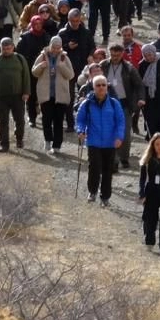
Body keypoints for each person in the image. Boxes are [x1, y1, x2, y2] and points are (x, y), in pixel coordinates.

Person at [75, 76, 125, 207]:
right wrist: (80, 131)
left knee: (108, 170)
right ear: (93, 87)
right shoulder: (86, 104)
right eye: (98, 85)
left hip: (110, 142)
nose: (101, 87)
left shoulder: (114, 103)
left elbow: (120, 121)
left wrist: (119, 137)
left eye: (104, 85)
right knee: (95, 167)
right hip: (93, 141)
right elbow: (80, 120)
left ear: (107, 87)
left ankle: (105, 197)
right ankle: (92, 191)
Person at [32, 37, 76, 155]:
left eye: (58, 47)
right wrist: (41, 66)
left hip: (60, 95)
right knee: (46, 119)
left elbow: (71, 75)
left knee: (58, 121)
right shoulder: (42, 56)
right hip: (46, 94)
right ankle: (47, 140)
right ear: (50, 45)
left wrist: (61, 66)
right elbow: (34, 72)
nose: (56, 50)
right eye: (54, 47)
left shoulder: (64, 57)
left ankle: (57, 145)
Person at [103, 41, 143, 169]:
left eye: (118, 55)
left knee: (124, 133)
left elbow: (139, 85)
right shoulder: (102, 66)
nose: (115, 58)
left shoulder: (129, 68)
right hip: (106, 104)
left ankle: (124, 158)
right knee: (109, 131)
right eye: (113, 55)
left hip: (124, 104)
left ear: (122, 54)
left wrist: (141, 99)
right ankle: (112, 158)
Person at [0, 38, 30, 153]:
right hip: (1, 96)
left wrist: (26, 92)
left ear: (13, 47)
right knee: (3, 121)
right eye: (3, 49)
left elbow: (26, 76)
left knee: (20, 120)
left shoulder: (20, 59)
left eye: (8, 48)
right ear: (0, 48)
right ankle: (4, 145)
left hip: (18, 95)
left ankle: (19, 140)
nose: (6, 51)